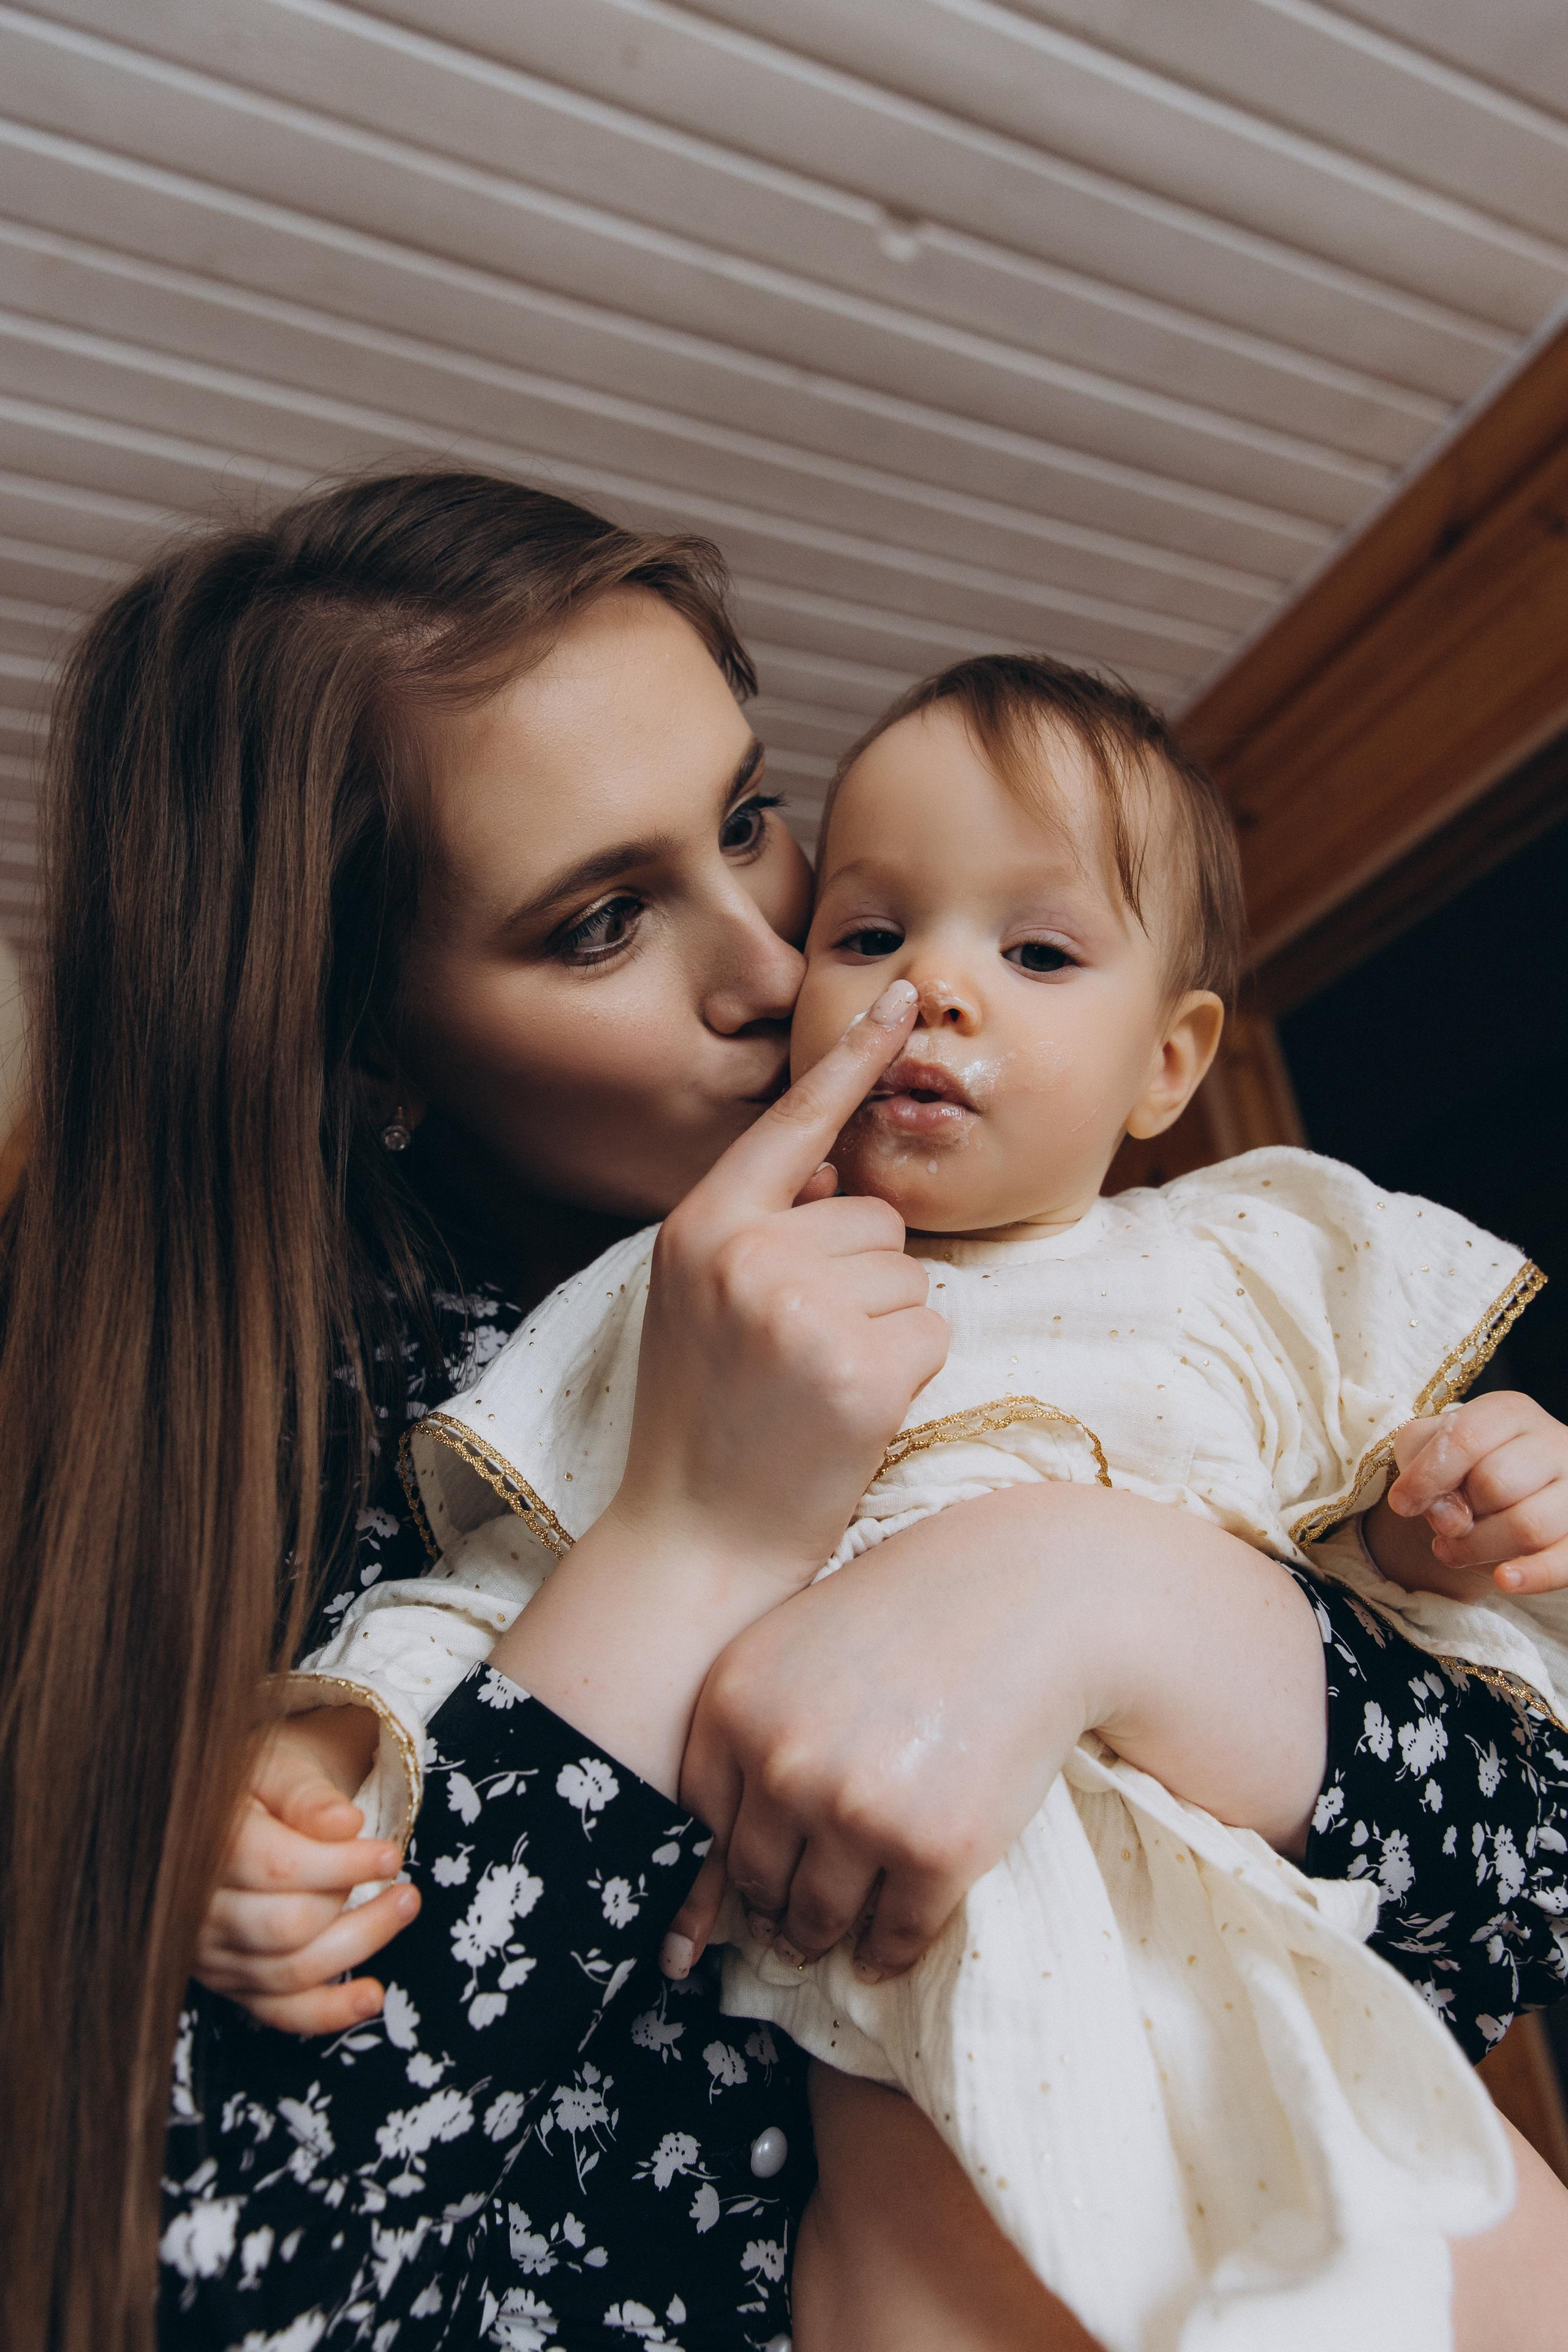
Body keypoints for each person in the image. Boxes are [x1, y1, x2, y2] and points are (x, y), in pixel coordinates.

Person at [0, 473, 1553, 2352]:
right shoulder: (366, 1478)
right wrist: (689, 1539)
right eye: (600, 924)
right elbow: (237, 2289)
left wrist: (1109, 1592)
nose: (772, 964)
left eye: (750, 818)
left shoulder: (1123, 1263)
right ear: (370, 1051)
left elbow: (1507, 1917)